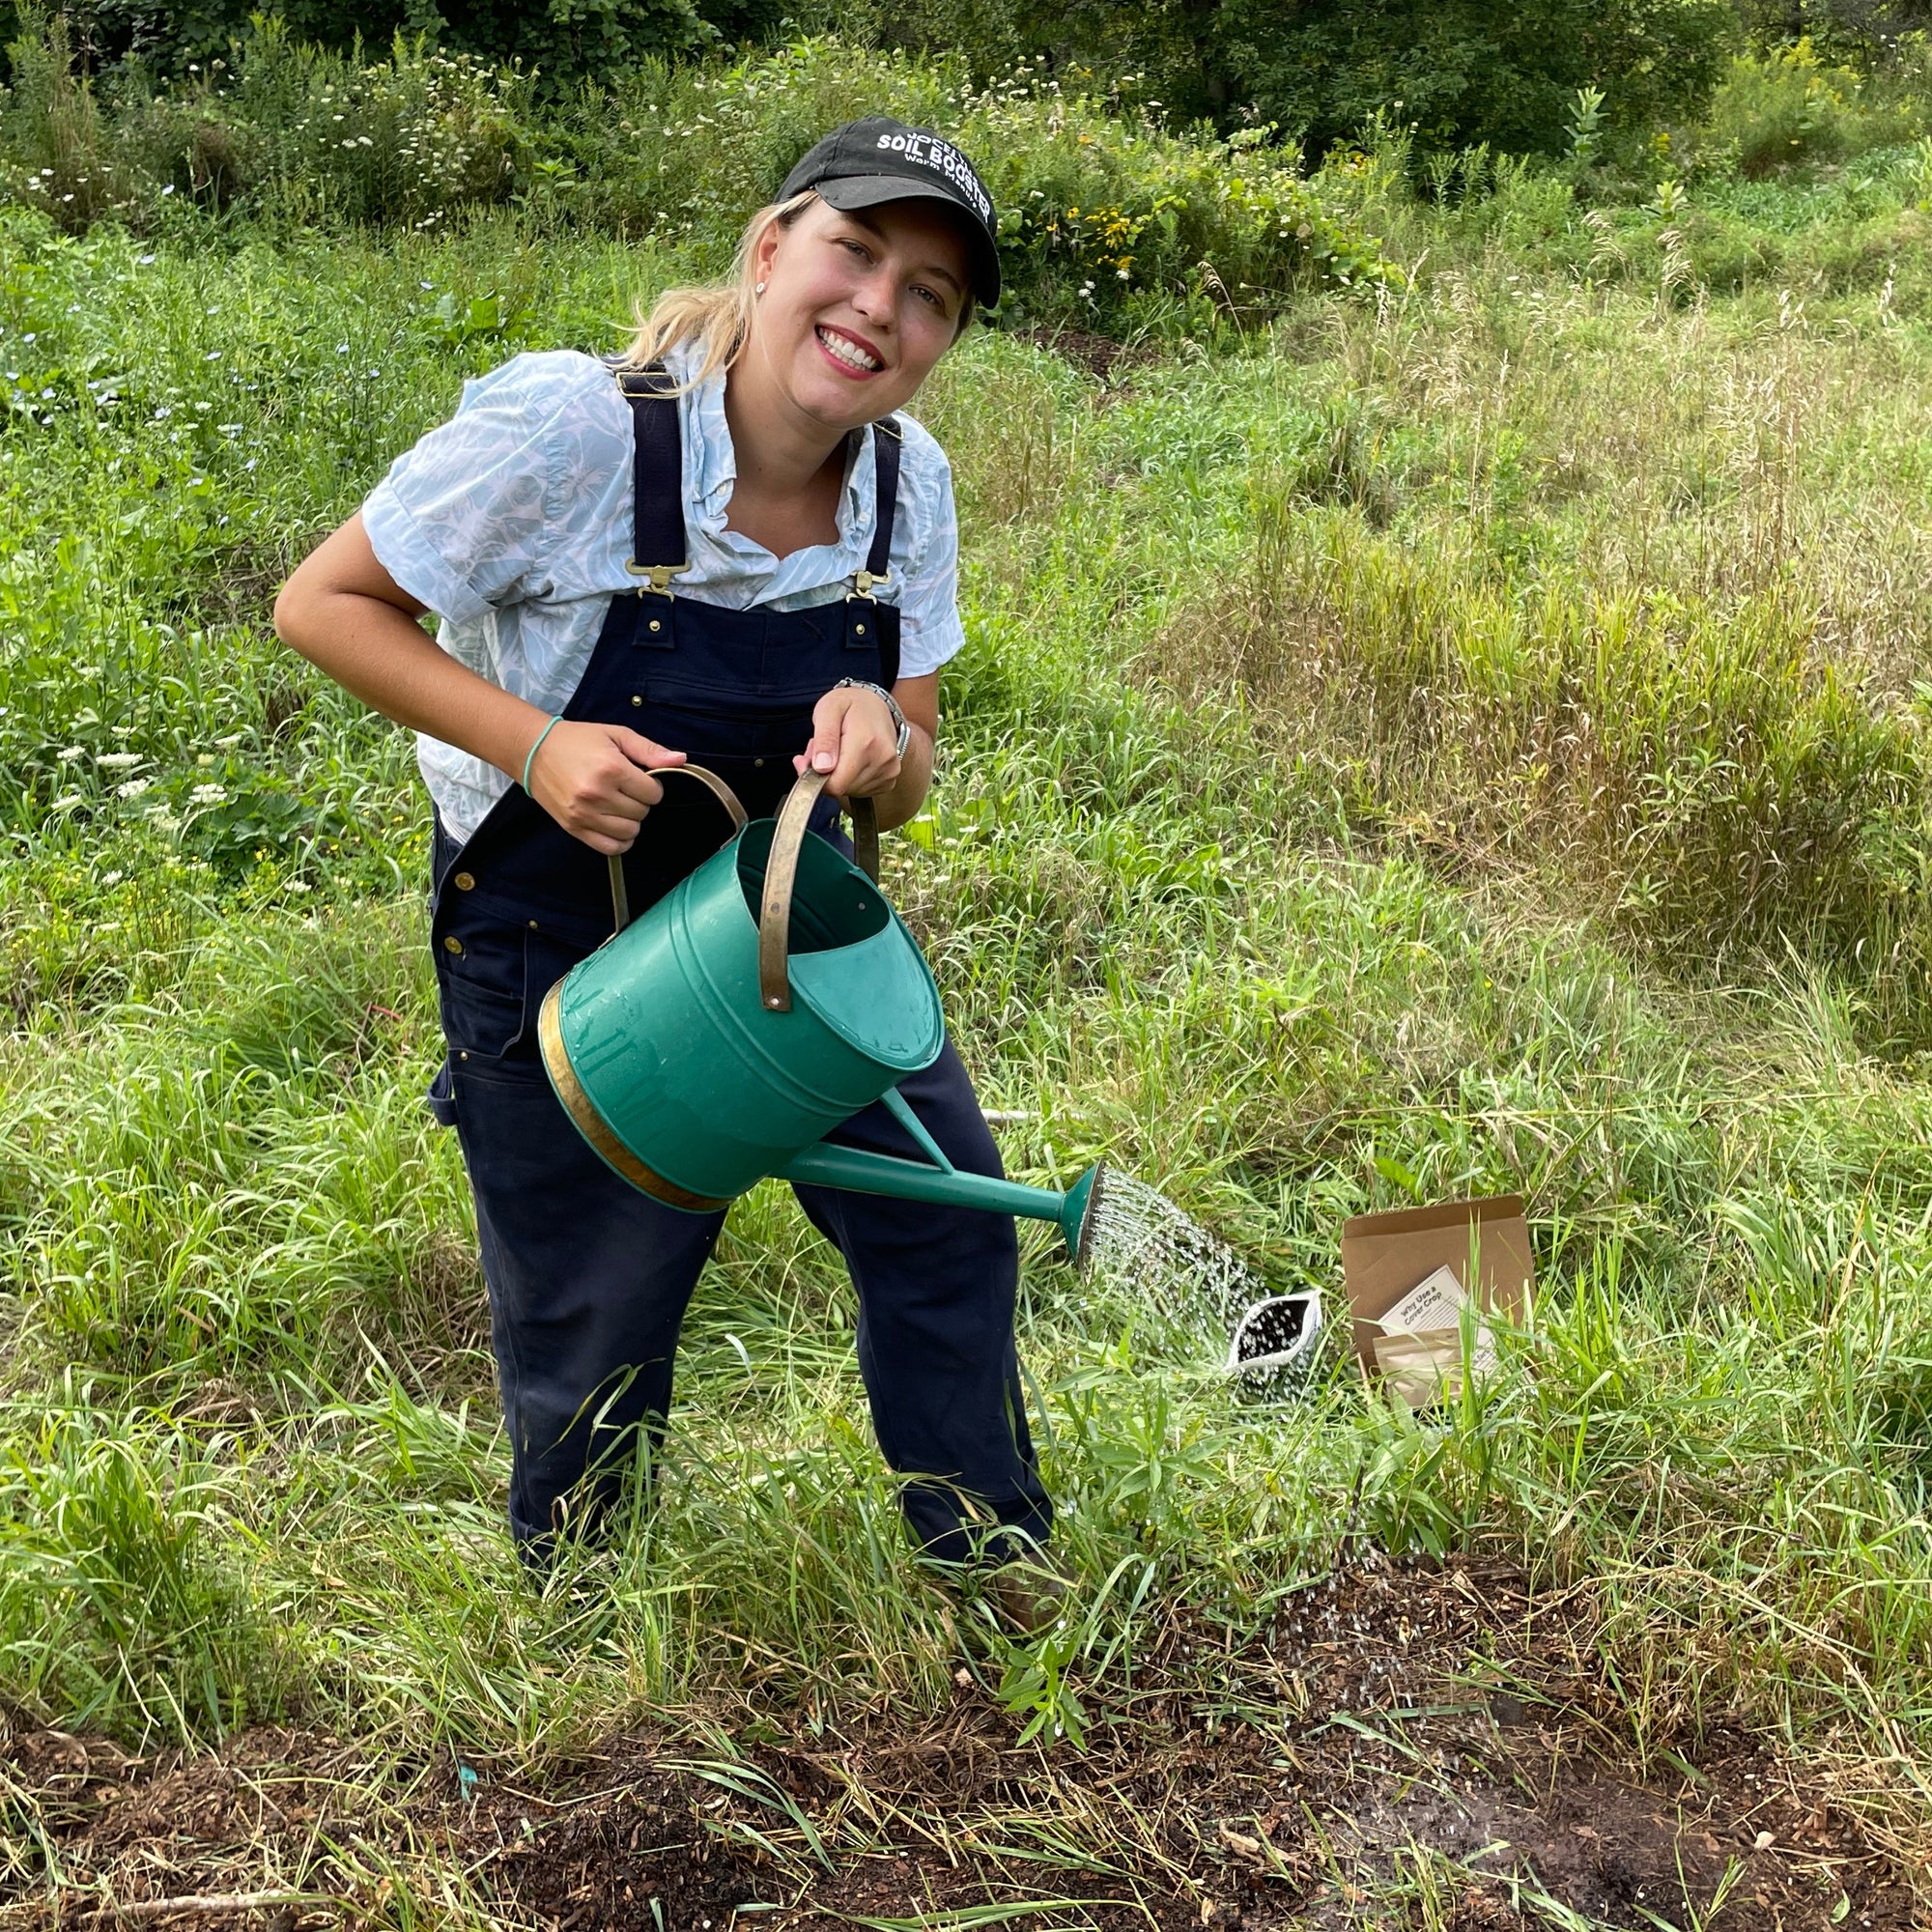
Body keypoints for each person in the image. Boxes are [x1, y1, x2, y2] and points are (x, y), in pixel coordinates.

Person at [274, 118, 1062, 1619]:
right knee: (600, 1305)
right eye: (857, 252)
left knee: (950, 1211)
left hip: (788, 921)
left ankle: (993, 1569)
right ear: (772, 250)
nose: (880, 310)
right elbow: (322, 603)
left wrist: (878, 740)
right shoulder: (577, 432)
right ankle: (590, 1635)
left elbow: (917, 747)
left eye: (931, 296)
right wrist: (535, 746)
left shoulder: (906, 485)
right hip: (558, 920)